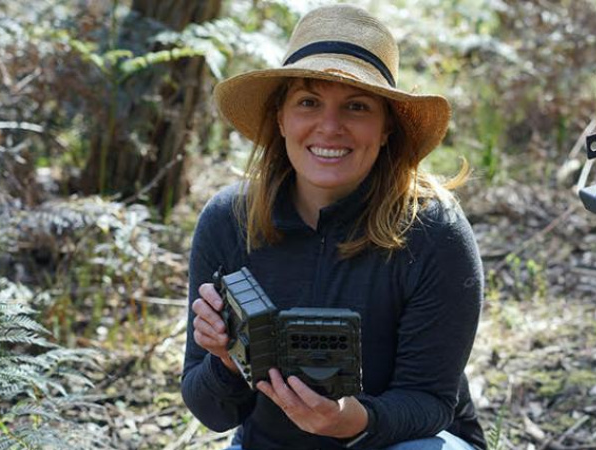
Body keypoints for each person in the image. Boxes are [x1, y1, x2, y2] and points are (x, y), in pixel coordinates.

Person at [181, 4, 486, 449]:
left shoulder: (434, 232)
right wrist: (225, 362)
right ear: (280, 118)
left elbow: (430, 401)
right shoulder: (229, 222)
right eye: (308, 102)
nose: (329, 127)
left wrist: (351, 421)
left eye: (356, 106)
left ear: (386, 129)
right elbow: (211, 414)